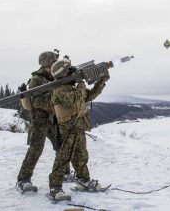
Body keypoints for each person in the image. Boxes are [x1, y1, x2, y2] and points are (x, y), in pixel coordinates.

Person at [48, 58, 109, 200]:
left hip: (79, 127)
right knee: (63, 158)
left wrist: (101, 82)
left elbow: (90, 95)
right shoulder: (59, 90)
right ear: (63, 74)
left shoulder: (72, 88)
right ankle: (55, 188)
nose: (72, 72)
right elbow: (72, 99)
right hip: (68, 129)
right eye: (69, 70)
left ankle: (84, 180)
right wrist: (81, 85)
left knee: (81, 155)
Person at [16, 51, 71, 192]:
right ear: (47, 64)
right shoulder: (37, 79)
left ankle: (64, 172)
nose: (55, 64)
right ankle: (23, 179)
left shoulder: (54, 76)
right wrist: (53, 100)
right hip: (39, 120)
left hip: (52, 118)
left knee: (61, 146)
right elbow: (35, 101)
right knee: (36, 149)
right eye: (54, 62)